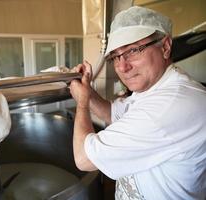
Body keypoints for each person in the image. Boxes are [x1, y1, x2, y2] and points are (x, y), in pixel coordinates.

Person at [69, 6, 206, 200]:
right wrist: (87, 91)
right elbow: (112, 113)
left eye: (133, 50)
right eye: (116, 56)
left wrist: (82, 102)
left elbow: (84, 158)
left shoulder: (171, 104)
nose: (122, 67)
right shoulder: (154, 88)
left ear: (165, 47)